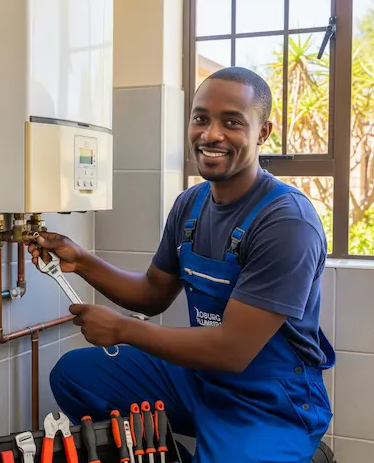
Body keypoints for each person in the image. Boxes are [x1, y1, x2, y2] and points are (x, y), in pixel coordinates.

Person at [28, 66, 335, 463]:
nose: (210, 134)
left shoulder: (285, 222)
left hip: (269, 400)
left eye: (232, 122)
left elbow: (232, 350)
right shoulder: (190, 204)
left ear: (262, 133)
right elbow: (153, 293)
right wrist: (81, 259)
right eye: (201, 118)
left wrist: (123, 329)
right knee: (74, 376)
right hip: (198, 378)